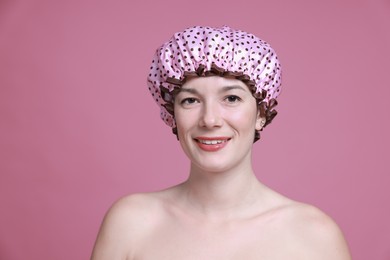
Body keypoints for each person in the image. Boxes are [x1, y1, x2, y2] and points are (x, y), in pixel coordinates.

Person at [91, 25, 351, 259]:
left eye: (232, 98)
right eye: (190, 100)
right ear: (172, 115)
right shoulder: (130, 223)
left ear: (261, 113)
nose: (210, 119)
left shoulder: (314, 236)